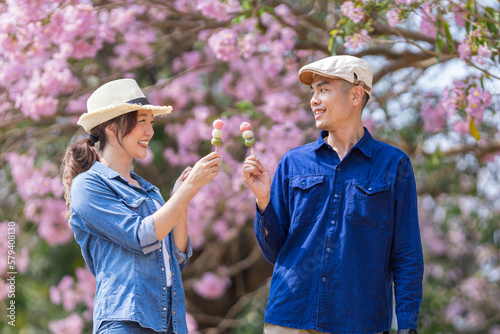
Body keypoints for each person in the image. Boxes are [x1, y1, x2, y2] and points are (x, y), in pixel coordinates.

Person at [242, 55, 423, 334]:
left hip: (359, 322)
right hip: (290, 319)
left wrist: (408, 326)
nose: (314, 99)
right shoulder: (292, 163)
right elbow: (275, 252)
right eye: (312, 91)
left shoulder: (393, 165)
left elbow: (407, 254)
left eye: (323, 89)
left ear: (355, 95)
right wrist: (264, 200)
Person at [61, 78, 221, 334]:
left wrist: (182, 198)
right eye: (142, 122)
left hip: (169, 324)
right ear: (112, 128)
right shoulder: (88, 186)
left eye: (151, 122)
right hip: (125, 323)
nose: (150, 132)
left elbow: (178, 257)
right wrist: (188, 190)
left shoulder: (148, 190)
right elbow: (140, 236)